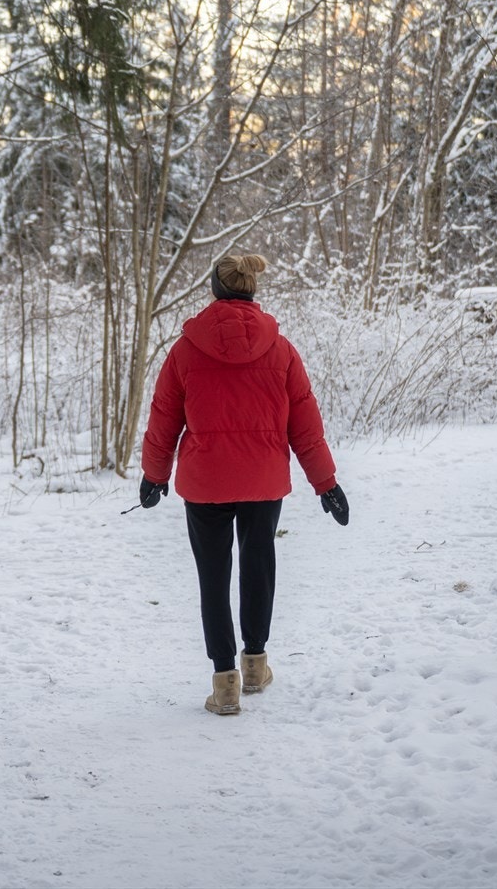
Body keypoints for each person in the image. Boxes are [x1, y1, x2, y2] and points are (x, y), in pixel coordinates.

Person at [139, 253, 349, 716]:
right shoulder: (281, 349)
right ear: (253, 291)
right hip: (263, 479)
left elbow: (163, 420)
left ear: (215, 289)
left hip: (206, 480)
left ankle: (225, 682)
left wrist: (154, 475)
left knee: (213, 578)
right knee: (259, 563)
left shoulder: (186, 350)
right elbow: (306, 426)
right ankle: (255, 663)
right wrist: (326, 483)